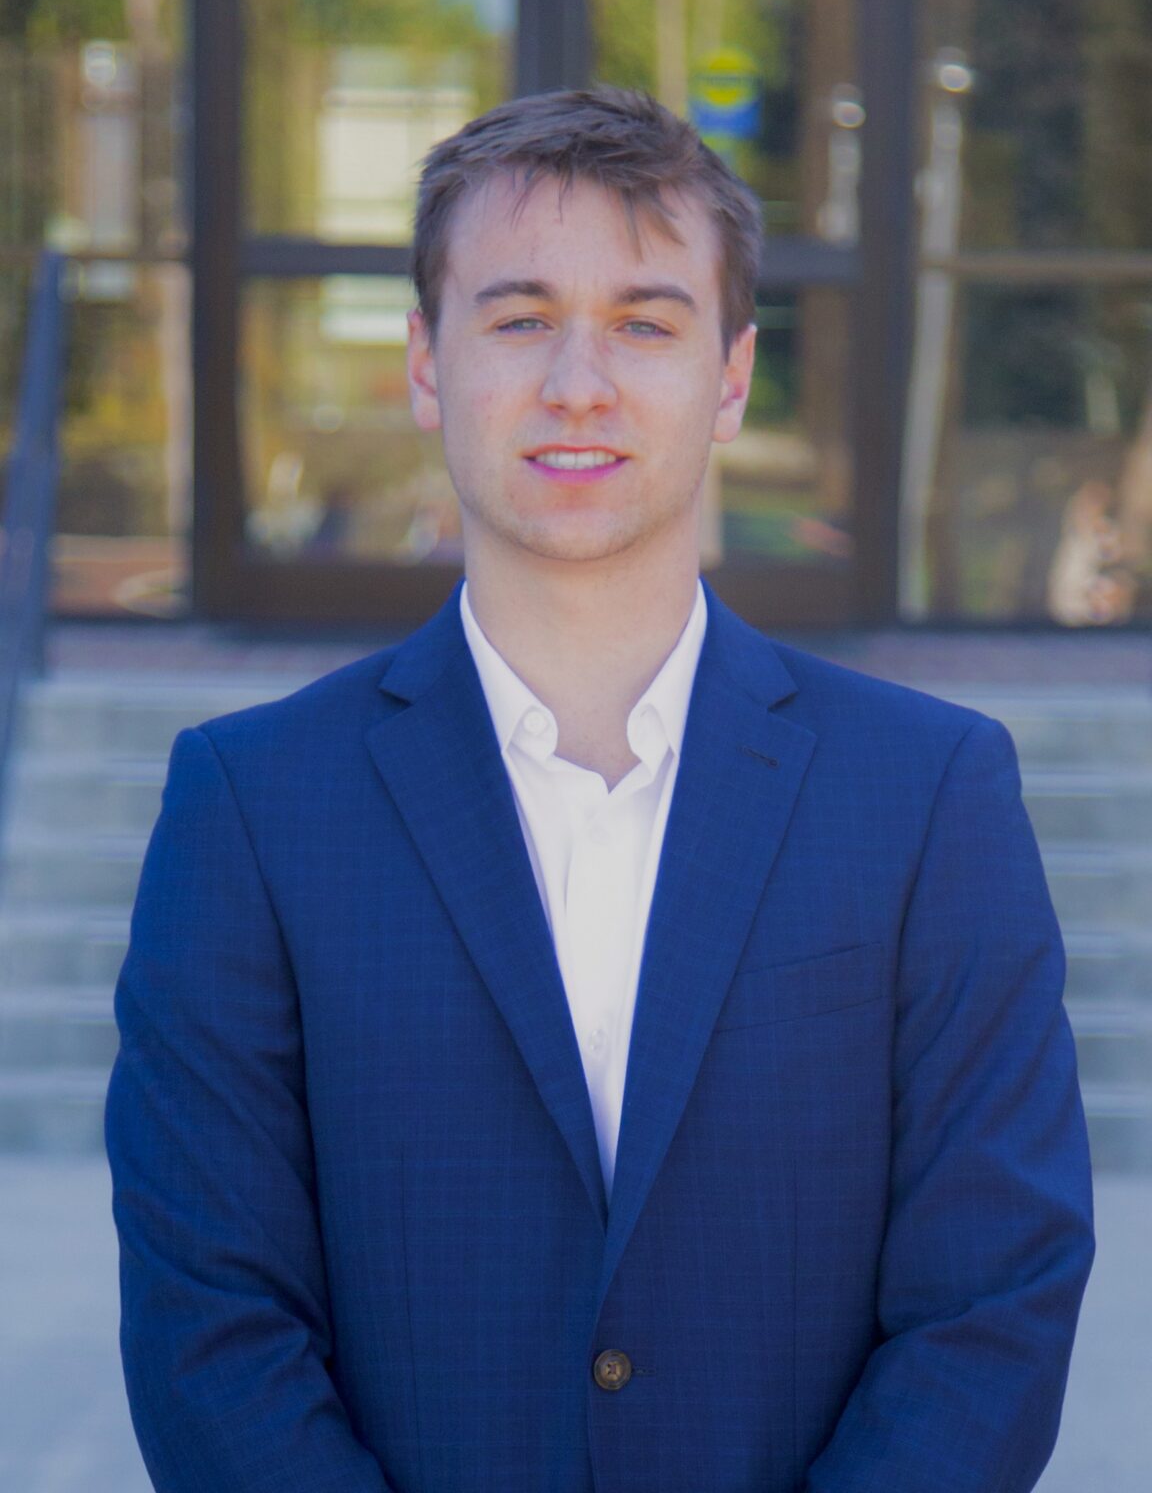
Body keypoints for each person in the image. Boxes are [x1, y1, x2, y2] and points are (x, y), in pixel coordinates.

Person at [105, 87, 1094, 1493]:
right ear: (427, 365)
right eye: (517, 317)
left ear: (734, 375)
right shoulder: (250, 808)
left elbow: (995, 1301)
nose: (580, 382)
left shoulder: (932, 794)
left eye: (645, 320)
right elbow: (210, 1325)